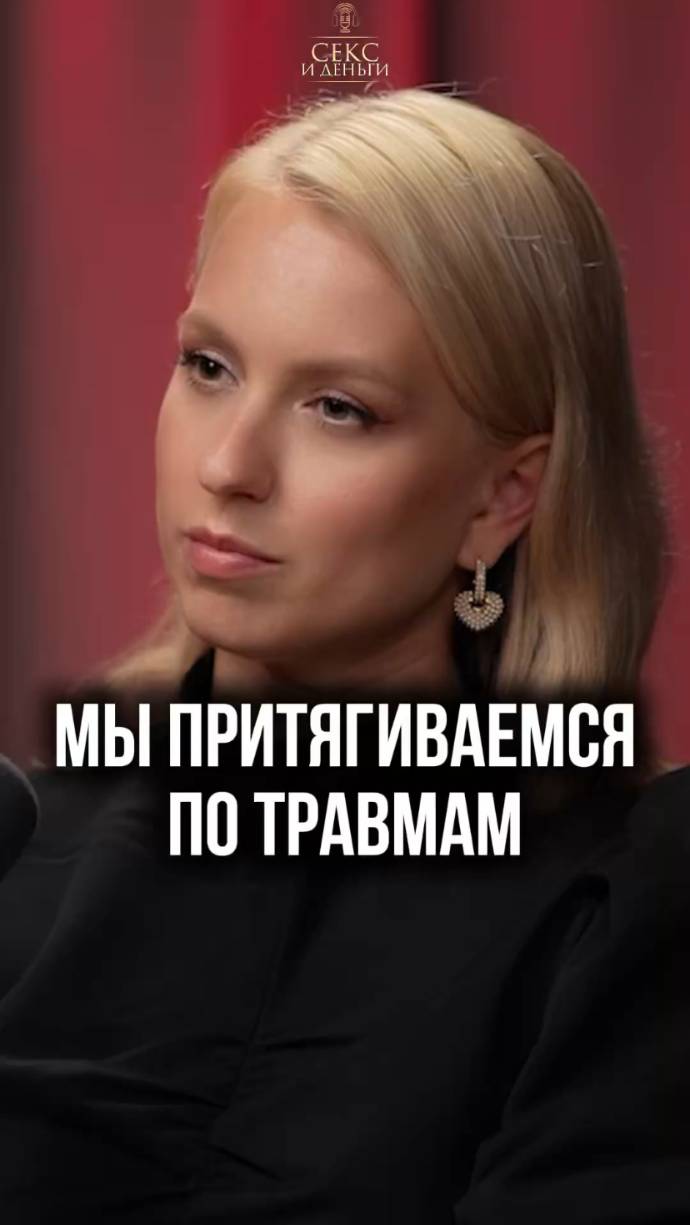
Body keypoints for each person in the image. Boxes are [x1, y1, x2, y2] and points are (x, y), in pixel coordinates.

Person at [0, 86, 688, 1222]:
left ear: (503, 496)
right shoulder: (25, 843)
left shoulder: (618, 910)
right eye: (209, 367)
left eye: (337, 407)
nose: (229, 466)